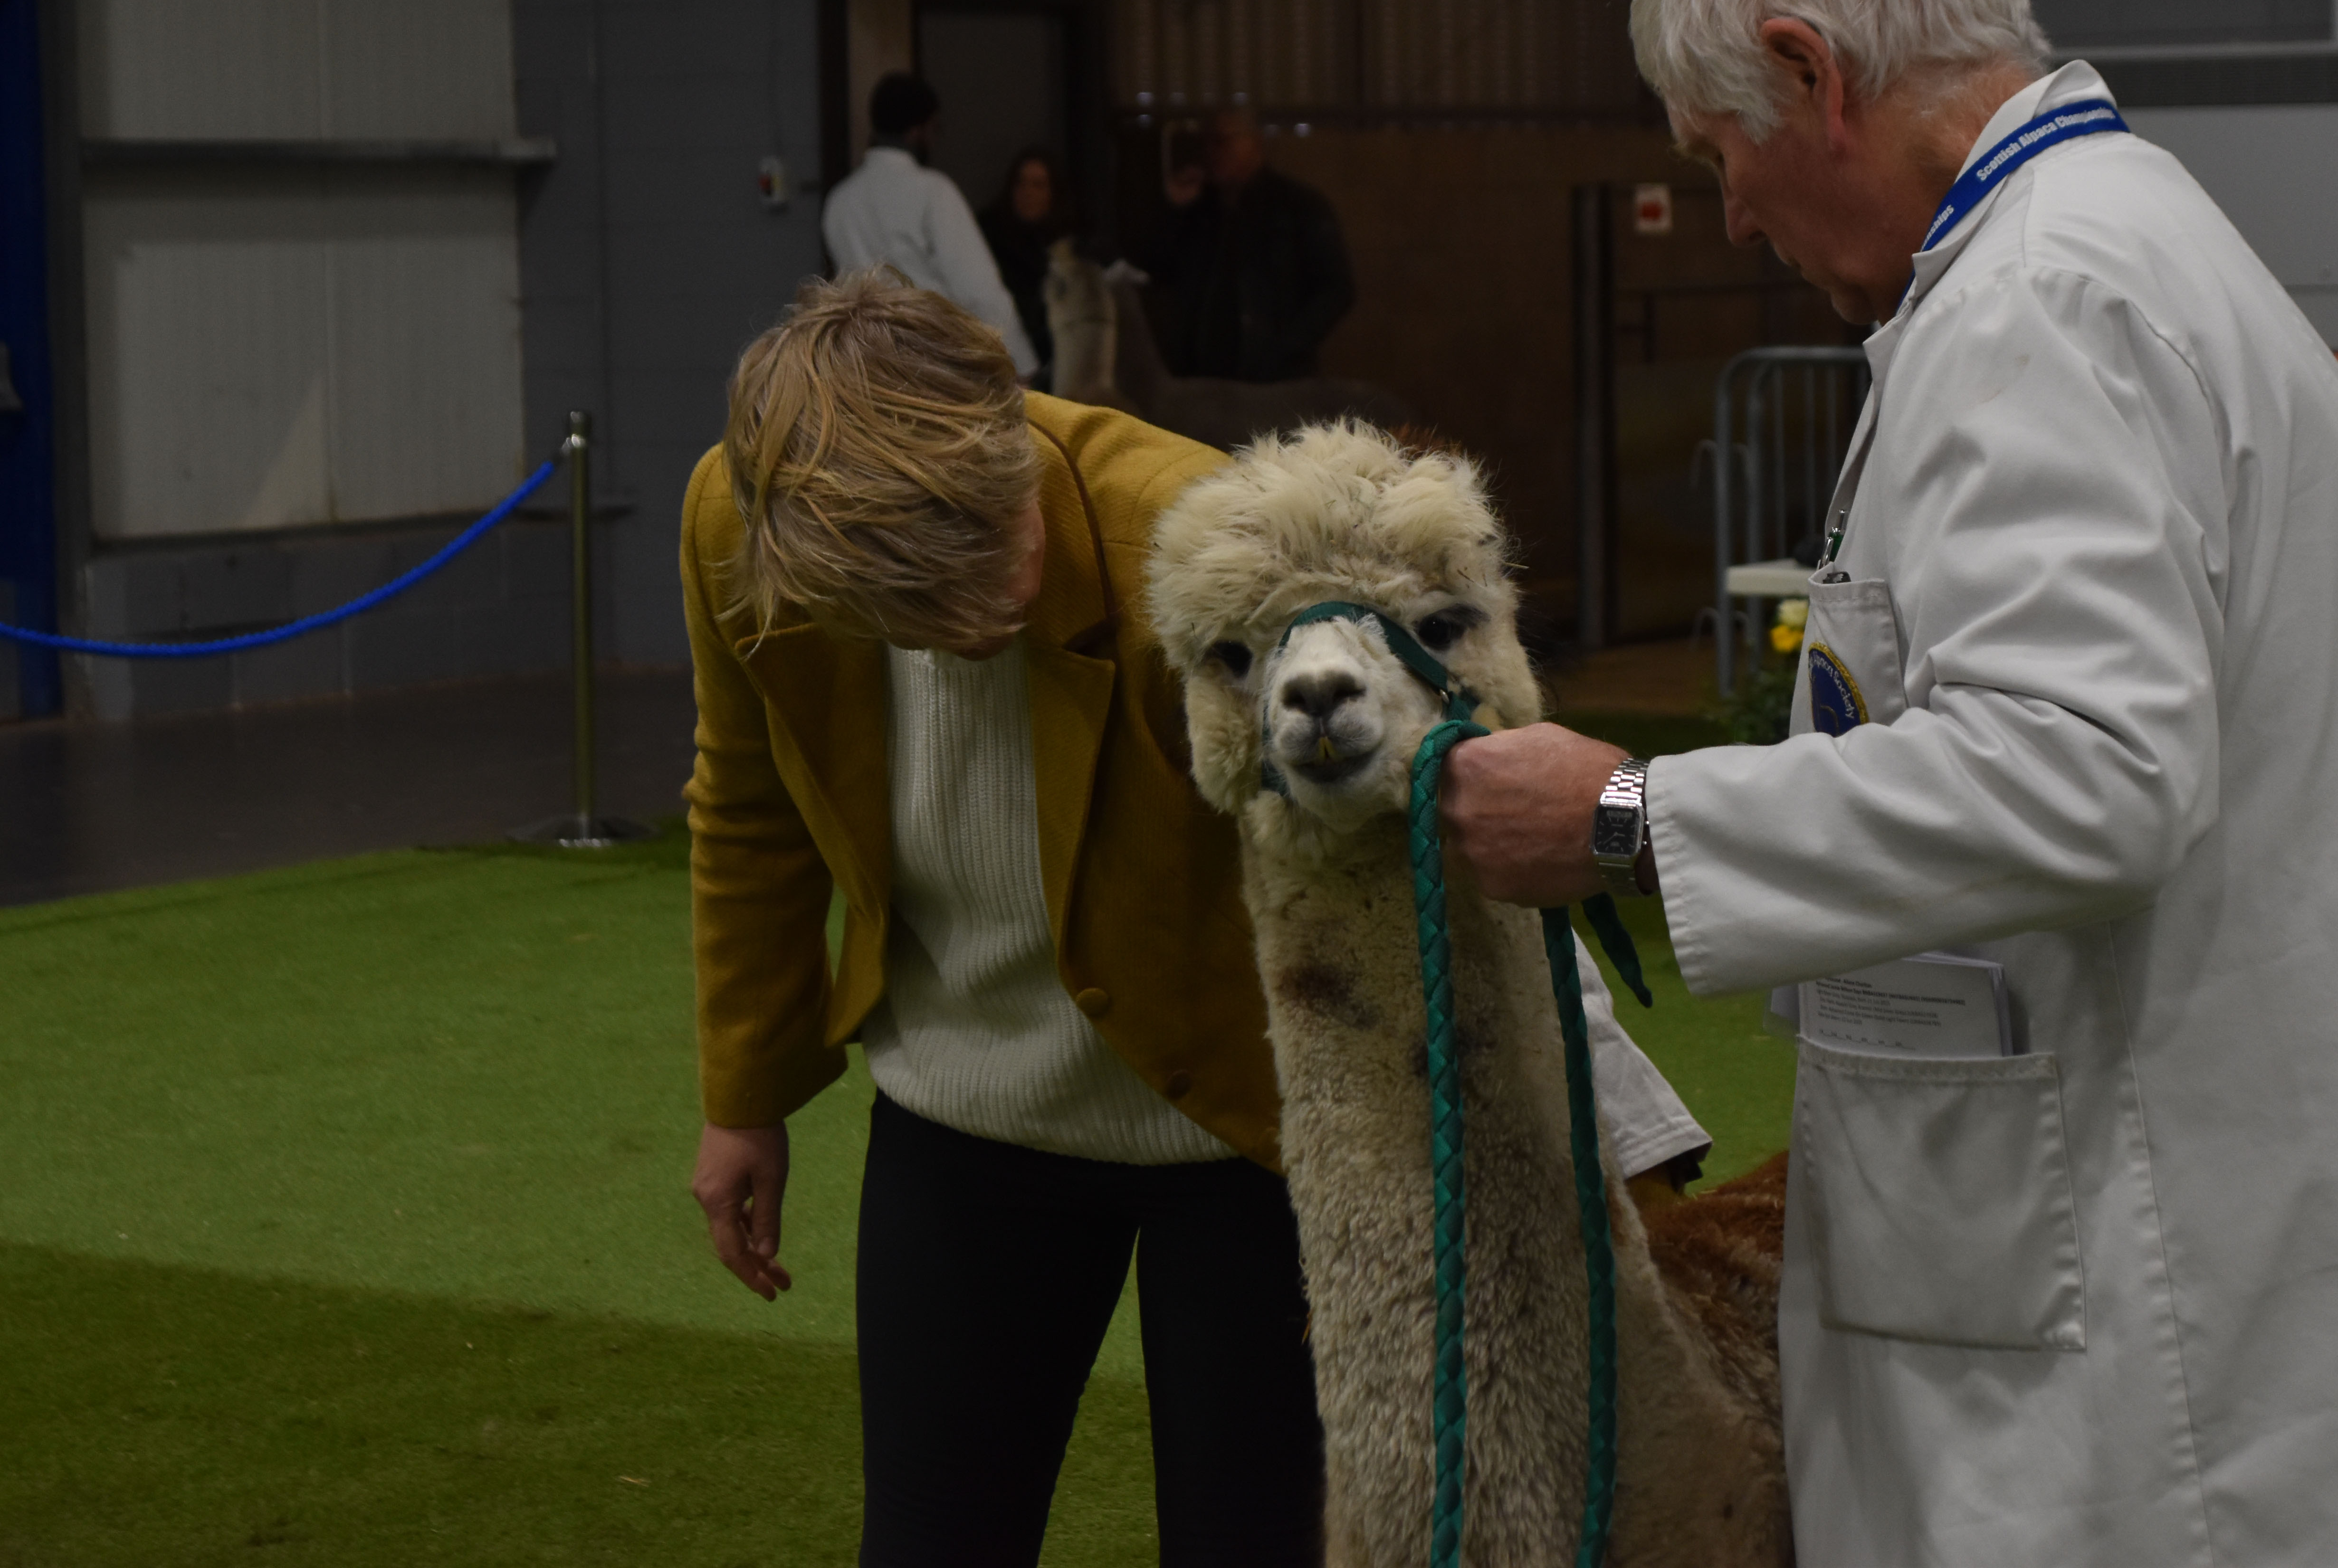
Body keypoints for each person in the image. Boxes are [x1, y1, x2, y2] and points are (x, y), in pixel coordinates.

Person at [1440, 0, 2338, 1565]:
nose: (1729, 208)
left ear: (1809, 69)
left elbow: (2083, 769)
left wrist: (1620, 815)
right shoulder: (2115, 244)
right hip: (2224, 1194)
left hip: (2153, 1305)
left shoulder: (2039, 301)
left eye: (1719, 145)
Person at [682, 269, 1709, 1566]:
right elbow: (749, 799)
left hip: (1247, 1134)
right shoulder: (749, 526)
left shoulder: (1205, 537)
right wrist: (745, 1095)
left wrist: (1631, 1141)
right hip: (962, 1115)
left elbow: (1432, 839)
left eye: (1002, 537)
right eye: (921, 602)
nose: (991, 600)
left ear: (1017, 428)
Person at [821, 72, 1037, 377]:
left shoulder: (840, 201)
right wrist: (1020, 364)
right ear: (917, 130)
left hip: (869, 365)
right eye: (935, 128)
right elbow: (979, 290)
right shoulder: (933, 191)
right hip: (936, 363)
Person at [1135, 107, 1354, 382]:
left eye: (1223, 141)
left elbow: (1337, 289)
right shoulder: (1199, 211)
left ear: (1255, 143)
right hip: (1204, 378)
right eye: (1207, 144)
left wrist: (1287, 347)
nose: (1213, 153)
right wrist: (1176, 211)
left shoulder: (1298, 207)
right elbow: (1156, 268)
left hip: (1274, 379)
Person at [975, 145, 1072, 381]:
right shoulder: (988, 241)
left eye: (1038, 185)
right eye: (1021, 183)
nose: (1027, 193)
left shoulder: (1068, 250)